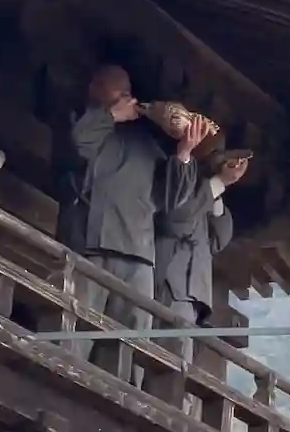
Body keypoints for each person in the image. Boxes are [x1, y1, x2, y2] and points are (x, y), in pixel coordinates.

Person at [71, 64, 201, 379]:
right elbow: (80, 145)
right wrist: (111, 115)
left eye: (127, 90)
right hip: (93, 246)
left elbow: (172, 199)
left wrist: (184, 153)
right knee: (75, 332)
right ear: (94, 90)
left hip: (139, 255)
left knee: (128, 347)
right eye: (115, 88)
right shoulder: (87, 124)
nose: (124, 95)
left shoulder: (146, 143)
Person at [153, 155, 248, 365]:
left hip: (194, 295)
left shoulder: (204, 203)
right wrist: (217, 183)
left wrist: (217, 192)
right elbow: (176, 222)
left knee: (180, 360)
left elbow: (218, 239)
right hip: (170, 284)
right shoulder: (177, 191)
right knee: (166, 359)